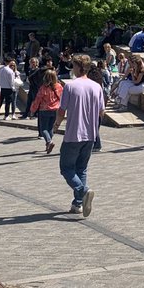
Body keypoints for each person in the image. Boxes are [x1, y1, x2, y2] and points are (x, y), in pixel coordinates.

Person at [52, 54, 104, 217]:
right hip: (90, 134)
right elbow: (102, 111)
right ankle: (78, 204)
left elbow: (62, 110)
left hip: (74, 133)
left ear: (77, 67)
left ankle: (83, 191)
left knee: (66, 168)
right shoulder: (97, 87)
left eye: (73, 66)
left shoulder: (71, 86)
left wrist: (56, 125)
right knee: (81, 168)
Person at [31, 67, 64, 152]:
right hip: (56, 109)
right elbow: (63, 98)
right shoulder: (59, 86)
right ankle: (48, 143)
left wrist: (33, 109)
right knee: (50, 128)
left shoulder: (43, 88)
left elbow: (38, 99)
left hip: (44, 110)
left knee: (43, 129)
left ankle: (49, 141)